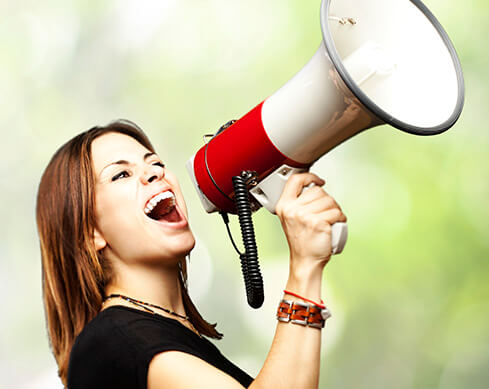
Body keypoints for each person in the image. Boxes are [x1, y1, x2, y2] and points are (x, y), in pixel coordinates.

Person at [36, 119, 346, 388]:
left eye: (155, 163)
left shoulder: (172, 340)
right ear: (90, 233)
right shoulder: (112, 342)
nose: (153, 173)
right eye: (121, 175)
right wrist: (304, 267)